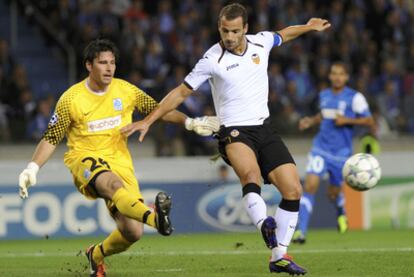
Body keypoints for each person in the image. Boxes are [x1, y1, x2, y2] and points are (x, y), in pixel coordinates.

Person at [121, 3, 330, 275]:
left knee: (293, 190)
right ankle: (263, 224)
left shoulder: (260, 42)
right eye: (224, 31)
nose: (229, 37)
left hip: (264, 128)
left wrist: (309, 27)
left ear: (246, 29)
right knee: (250, 175)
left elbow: (284, 34)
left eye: (234, 31)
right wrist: (148, 120)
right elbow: (180, 93)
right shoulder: (211, 58)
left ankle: (279, 256)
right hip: (233, 131)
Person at [17, 39, 219, 277]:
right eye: (103, 62)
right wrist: (32, 167)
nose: (109, 68)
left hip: (120, 160)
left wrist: (190, 122)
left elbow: (157, 110)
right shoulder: (71, 99)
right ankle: (157, 220)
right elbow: (51, 137)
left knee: (132, 232)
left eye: (112, 62)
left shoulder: (126, 90)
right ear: (89, 66)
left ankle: (95, 255)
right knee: (113, 185)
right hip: (85, 158)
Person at [293, 62, 374, 244]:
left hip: (341, 154)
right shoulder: (324, 95)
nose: (337, 77)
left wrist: (347, 120)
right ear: (330, 76)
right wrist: (310, 121)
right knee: (310, 186)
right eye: (334, 73)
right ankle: (301, 232)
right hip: (320, 149)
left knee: (332, 193)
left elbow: (369, 120)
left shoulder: (355, 97)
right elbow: (323, 115)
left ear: (346, 77)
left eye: (341, 74)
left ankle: (340, 212)